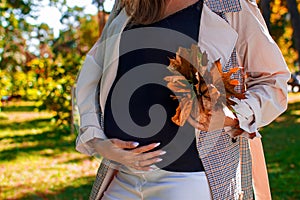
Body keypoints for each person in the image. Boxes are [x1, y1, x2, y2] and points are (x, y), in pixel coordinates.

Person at [75, 0, 290, 199]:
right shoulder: (129, 6)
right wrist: (98, 141)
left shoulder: (231, 6)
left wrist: (231, 116)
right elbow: (92, 76)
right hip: (122, 178)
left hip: (190, 181)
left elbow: (273, 81)